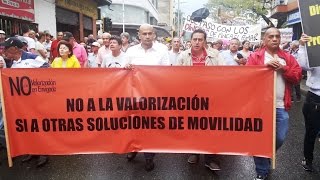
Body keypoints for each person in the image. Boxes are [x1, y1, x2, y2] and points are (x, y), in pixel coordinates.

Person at [246, 27, 302, 180]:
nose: (274, 39)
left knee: (280, 137)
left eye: (277, 36)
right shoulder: (255, 56)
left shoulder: (287, 57)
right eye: (270, 36)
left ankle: (267, 152)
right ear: (264, 40)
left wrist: (284, 69)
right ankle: (261, 170)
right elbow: (247, 77)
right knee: (259, 139)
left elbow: (297, 77)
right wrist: (264, 68)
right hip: (260, 106)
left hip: (280, 106)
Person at [176, 29, 224, 171]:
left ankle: (210, 158)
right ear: (190, 41)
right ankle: (194, 152)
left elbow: (224, 74)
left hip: (211, 98)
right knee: (193, 126)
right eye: (194, 39)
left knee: (210, 127)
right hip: (190, 99)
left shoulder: (215, 55)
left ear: (205, 41)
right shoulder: (183, 56)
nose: (197, 42)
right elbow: (175, 76)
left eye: (200, 39)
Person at [125, 24, 170, 172]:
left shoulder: (162, 51)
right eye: (144, 33)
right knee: (134, 125)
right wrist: (127, 68)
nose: (147, 36)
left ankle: (149, 156)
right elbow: (123, 71)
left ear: (154, 35)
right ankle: (133, 148)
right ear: (139, 35)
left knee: (151, 127)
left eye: (150, 33)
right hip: (135, 96)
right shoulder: (131, 51)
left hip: (154, 97)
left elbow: (167, 72)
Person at [1, 37, 50, 167]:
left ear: (15, 49)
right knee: (27, 126)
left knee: (38, 126)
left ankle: (43, 152)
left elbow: (49, 70)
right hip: (21, 103)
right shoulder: (11, 63)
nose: (4, 51)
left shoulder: (33, 58)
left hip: (36, 101)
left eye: (6, 48)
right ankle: (31, 150)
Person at [297, 34, 320, 172]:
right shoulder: (315, 49)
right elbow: (304, 66)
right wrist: (301, 46)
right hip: (315, 98)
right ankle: (308, 159)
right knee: (311, 132)